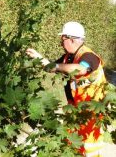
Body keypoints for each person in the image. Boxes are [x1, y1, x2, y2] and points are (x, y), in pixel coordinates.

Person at [26, 21, 106, 157]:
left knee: (88, 149)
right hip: (74, 110)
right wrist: (38, 57)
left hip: (90, 115)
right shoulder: (68, 57)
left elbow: (80, 69)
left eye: (62, 39)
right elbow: (52, 66)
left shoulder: (88, 56)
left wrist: (56, 67)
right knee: (71, 147)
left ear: (71, 40)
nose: (60, 43)